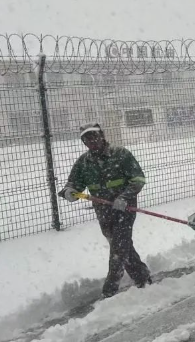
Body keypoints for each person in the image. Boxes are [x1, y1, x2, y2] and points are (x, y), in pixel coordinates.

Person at [59, 123, 152, 298]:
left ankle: (110, 290)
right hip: (103, 211)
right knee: (123, 246)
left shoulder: (121, 155)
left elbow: (138, 179)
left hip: (125, 209)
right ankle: (142, 276)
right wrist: (69, 191)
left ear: (101, 136)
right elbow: (74, 184)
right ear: (84, 142)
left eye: (94, 136)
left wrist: (123, 197)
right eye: (87, 139)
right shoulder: (84, 162)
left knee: (118, 247)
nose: (91, 141)